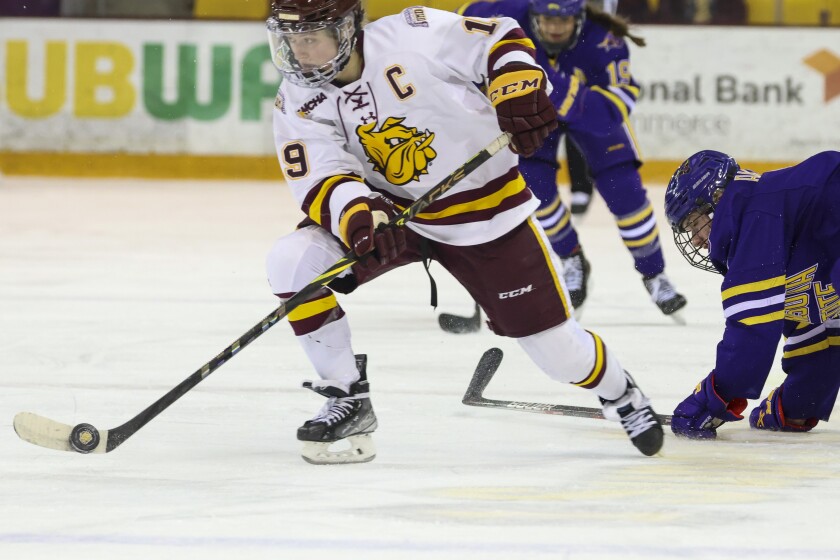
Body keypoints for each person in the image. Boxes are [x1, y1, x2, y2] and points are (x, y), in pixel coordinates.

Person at [264, 0, 664, 463]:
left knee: (560, 355)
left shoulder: (414, 33)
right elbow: (320, 172)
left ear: (348, 27)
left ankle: (620, 392)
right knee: (292, 261)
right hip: (395, 215)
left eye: (310, 37)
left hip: (486, 213)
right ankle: (346, 394)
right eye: (290, 39)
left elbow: (499, 37)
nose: (299, 51)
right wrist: (359, 216)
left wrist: (516, 89)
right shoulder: (296, 97)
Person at [458, 0, 687, 318]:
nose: (553, 27)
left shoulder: (605, 39)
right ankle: (571, 258)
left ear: (579, 18)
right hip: (537, 113)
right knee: (533, 189)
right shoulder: (509, 13)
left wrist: (556, 88)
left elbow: (611, 112)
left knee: (625, 194)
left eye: (562, 21)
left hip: (590, 112)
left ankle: (654, 274)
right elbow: (463, 18)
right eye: (546, 19)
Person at [664, 150, 840, 439]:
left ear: (717, 200)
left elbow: (753, 330)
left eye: (695, 223)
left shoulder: (756, 213)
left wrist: (713, 398)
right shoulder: (780, 224)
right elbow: (822, 340)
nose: (695, 238)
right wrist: (795, 407)